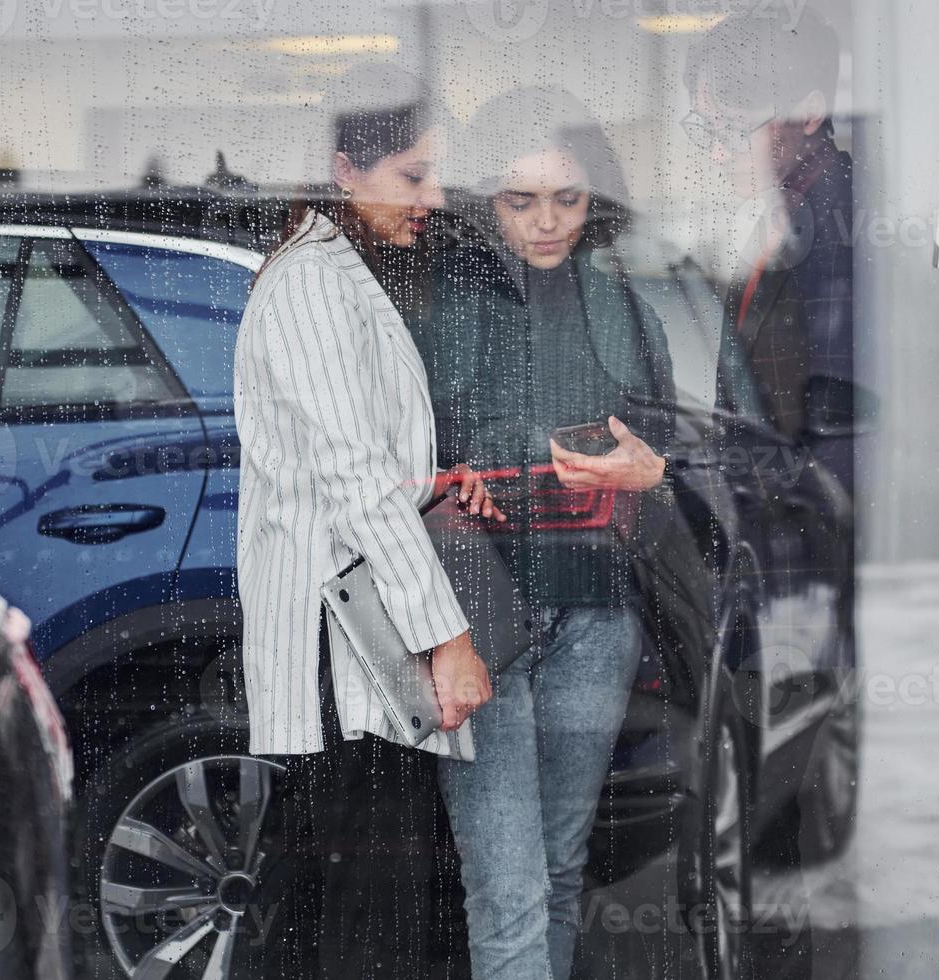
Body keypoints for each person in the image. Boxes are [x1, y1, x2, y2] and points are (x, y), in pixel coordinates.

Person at [233, 65, 501, 979]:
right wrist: (450, 638)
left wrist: (429, 484)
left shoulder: (337, 272)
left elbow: (354, 464)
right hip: (347, 648)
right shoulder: (313, 282)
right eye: (412, 176)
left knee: (333, 916)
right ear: (346, 169)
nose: (431, 198)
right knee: (370, 929)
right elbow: (351, 477)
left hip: (352, 640)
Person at [408, 86, 677, 980]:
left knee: (559, 872)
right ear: (485, 200)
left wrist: (650, 473)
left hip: (595, 613)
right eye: (520, 200)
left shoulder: (620, 304)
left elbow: (665, 451)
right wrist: (461, 474)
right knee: (510, 889)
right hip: (477, 619)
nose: (546, 222)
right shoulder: (439, 299)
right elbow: (398, 461)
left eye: (567, 198)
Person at [684, 9, 858, 496]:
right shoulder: (787, 215)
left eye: (736, 130)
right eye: (707, 130)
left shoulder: (844, 230)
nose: (718, 153)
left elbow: (840, 422)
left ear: (809, 113)